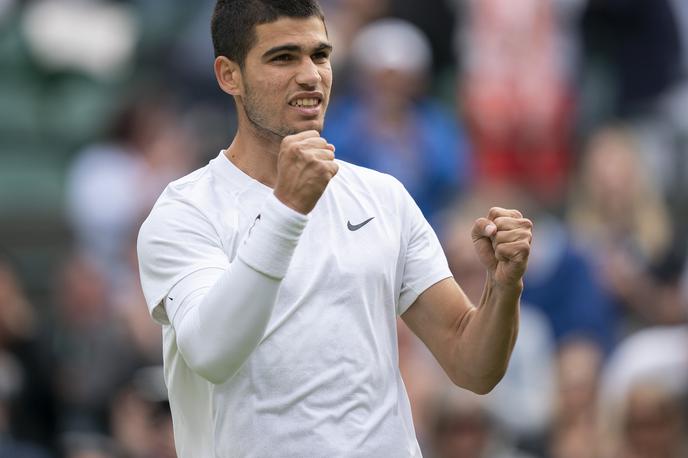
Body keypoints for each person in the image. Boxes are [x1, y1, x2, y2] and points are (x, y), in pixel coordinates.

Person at [136, 1, 533, 456]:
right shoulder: (186, 211)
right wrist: (288, 210)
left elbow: (473, 367)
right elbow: (211, 352)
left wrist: (503, 288)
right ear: (229, 76)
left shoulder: (384, 197)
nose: (311, 75)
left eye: (320, 55)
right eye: (283, 57)